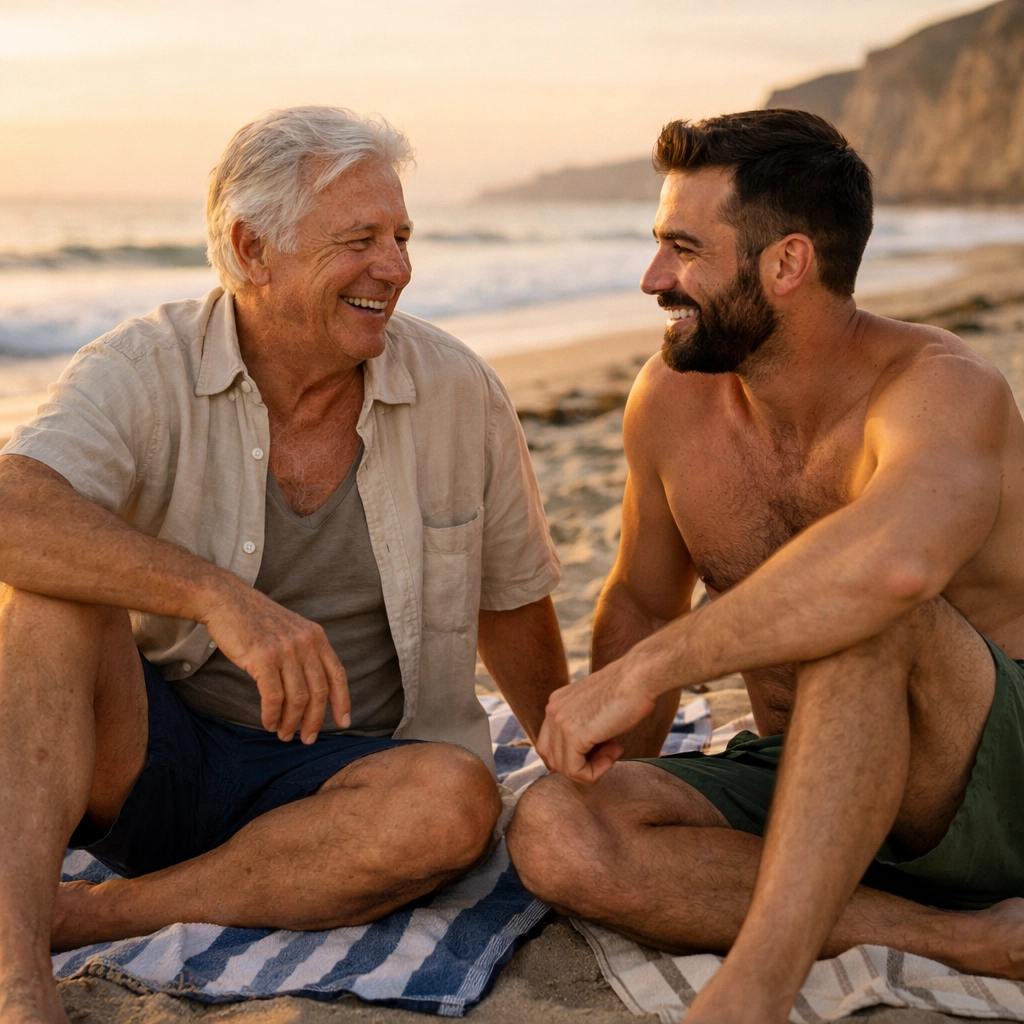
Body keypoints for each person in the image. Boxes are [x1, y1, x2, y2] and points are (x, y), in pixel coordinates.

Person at [0, 106, 567, 1024]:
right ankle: (18, 974)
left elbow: (513, 606)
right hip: (157, 753)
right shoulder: (144, 365)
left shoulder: (459, 390)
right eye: (360, 240)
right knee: (50, 596)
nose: (396, 267)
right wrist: (219, 598)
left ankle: (92, 914)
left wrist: (573, 768)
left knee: (455, 802)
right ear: (251, 248)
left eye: (402, 237)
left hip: (350, 781)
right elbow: (11, 507)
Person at [507, 108, 1024, 1024]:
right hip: (809, 775)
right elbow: (638, 597)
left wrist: (644, 674)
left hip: (991, 778)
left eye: (683, 250)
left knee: (859, 606)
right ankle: (955, 937)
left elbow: (891, 570)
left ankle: (753, 990)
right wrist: (615, 757)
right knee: (558, 832)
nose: (652, 279)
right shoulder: (671, 401)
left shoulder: (944, 388)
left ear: (787, 264)